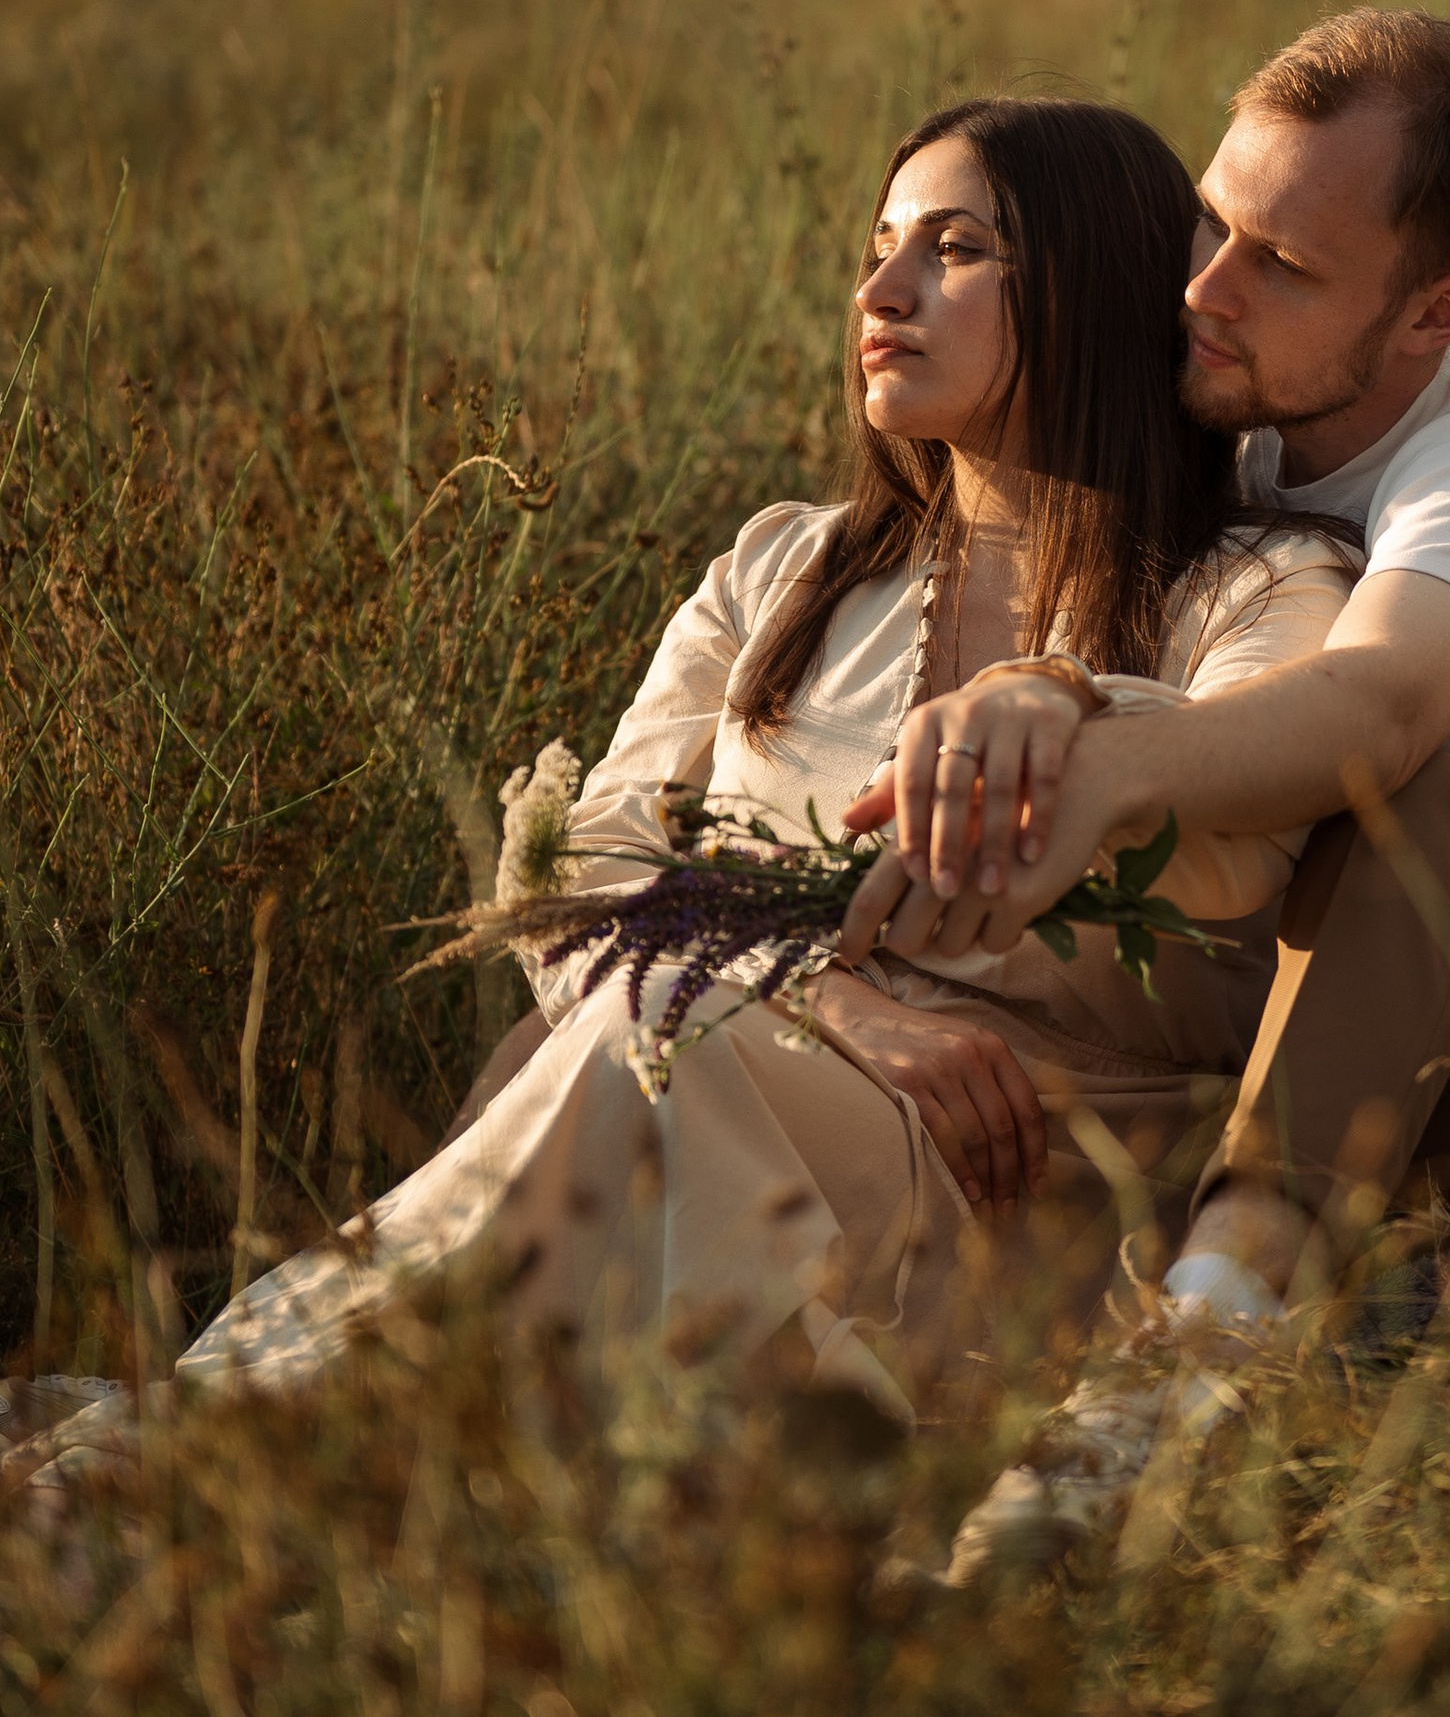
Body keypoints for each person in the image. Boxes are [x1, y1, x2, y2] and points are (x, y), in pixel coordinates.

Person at [172, 97, 1354, 1461]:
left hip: (1012, 1199)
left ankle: (232, 1466)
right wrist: (838, 1004)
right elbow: (585, 871)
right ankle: (234, 1458)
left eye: (955, 250)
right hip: (709, 1091)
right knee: (635, 1058)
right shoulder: (787, 568)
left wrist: (1059, 699)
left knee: (641, 1062)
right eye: (880, 244)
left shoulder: (1255, 590)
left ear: (1093, 287)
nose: (881, 291)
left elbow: (1246, 770)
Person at [840, 8, 1450, 1580]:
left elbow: (1370, 714)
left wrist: (1102, 746)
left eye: (1285, 267)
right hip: (1256, 1066)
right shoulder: (1230, 440)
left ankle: (1180, 1381)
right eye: (1211, 228)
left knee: (1430, 805)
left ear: (1438, 309)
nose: (1205, 293)